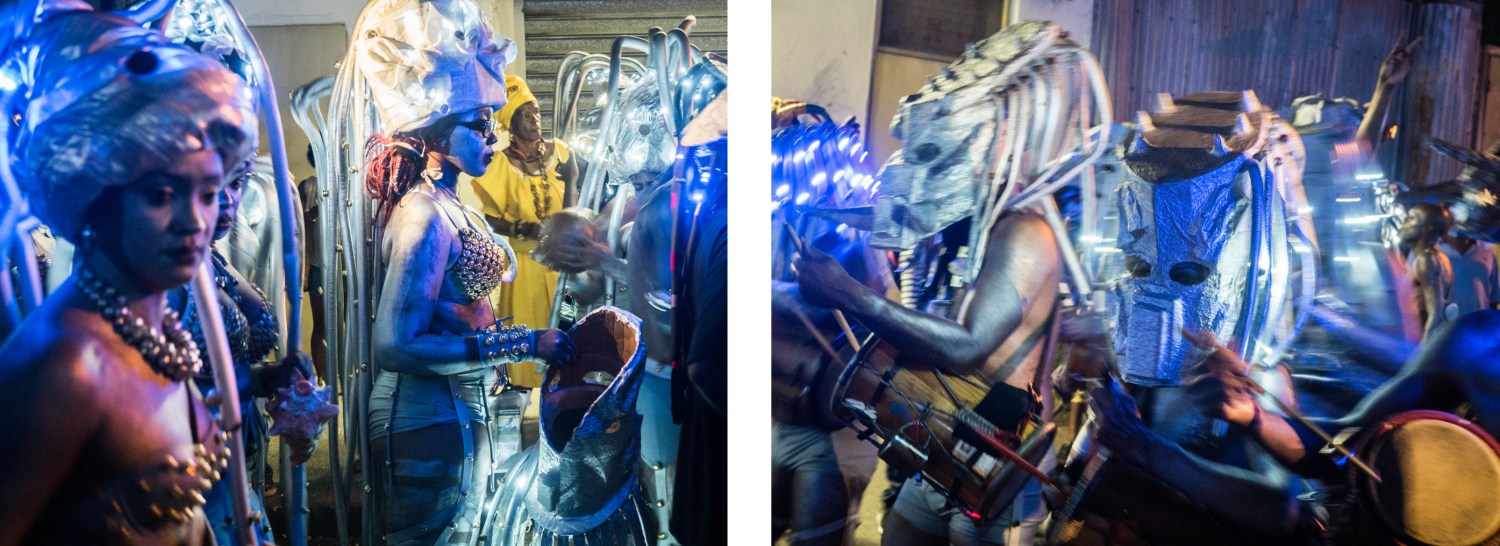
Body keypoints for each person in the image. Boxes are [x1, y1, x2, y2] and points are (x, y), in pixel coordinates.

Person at [0, 6, 257, 542]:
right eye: (162, 194)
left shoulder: (157, 328)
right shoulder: (69, 365)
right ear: (96, 197)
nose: (195, 222)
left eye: (208, 193)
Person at [349, 1, 574, 543]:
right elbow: (395, 346)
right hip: (422, 415)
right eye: (478, 127)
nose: (494, 141)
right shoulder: (422, 214)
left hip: (461, 407)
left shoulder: (453, 205)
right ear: (433, 133)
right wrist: (519, 343)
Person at [168, 163, 310, 544]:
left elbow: (229, 365)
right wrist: (257, 380)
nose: (230, 199)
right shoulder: (163, 277)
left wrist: (271, 376)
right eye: (216, 185)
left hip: (238, 454)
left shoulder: (212, 256)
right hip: (191, 468)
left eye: (238, 183)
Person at [470, 74, 579, 388]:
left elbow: (572, 215)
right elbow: (489, 220)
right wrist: (522, 227)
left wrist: (571, 180)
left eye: (536, 112)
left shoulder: (561, 152)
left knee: (568, 344)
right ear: (510, 126)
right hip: (526, 269)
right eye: (525, 115)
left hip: (564, 269)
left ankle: (563, 415)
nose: (534, 120)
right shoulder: (499, 164)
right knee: (527, 354)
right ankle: (521, 422)